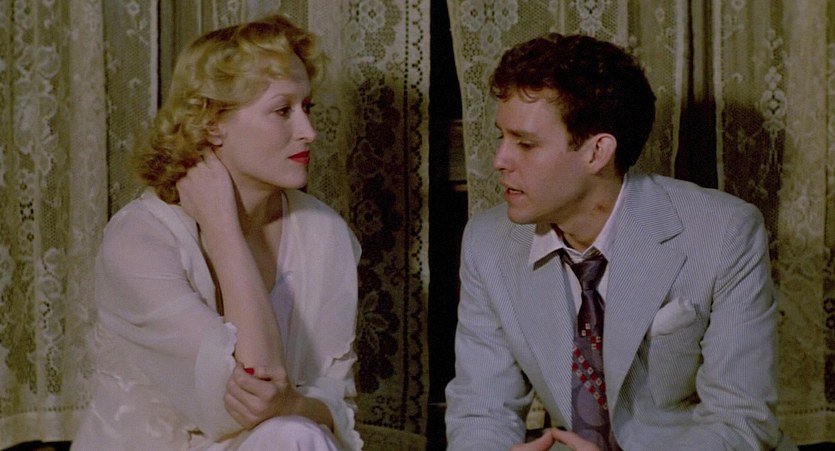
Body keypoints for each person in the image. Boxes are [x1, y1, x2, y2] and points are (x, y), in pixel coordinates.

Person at [444, 33, 790, 450]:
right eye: (501, 138)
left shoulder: (724, 232)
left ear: (597, 152)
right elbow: (481, 410)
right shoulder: (487, 242)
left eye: (526, 144)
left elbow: (741, 420)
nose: (499, 160)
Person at [72, 14, 363, 450]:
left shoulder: (323, 233)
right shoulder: (138, 241)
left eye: (308, 107)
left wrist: (291, 404)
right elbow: (238, 402)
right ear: (212, 123)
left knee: (293, 432)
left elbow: (334, 406)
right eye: (282, 110)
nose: (309, 132)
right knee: (290, 433)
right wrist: (224, 230)